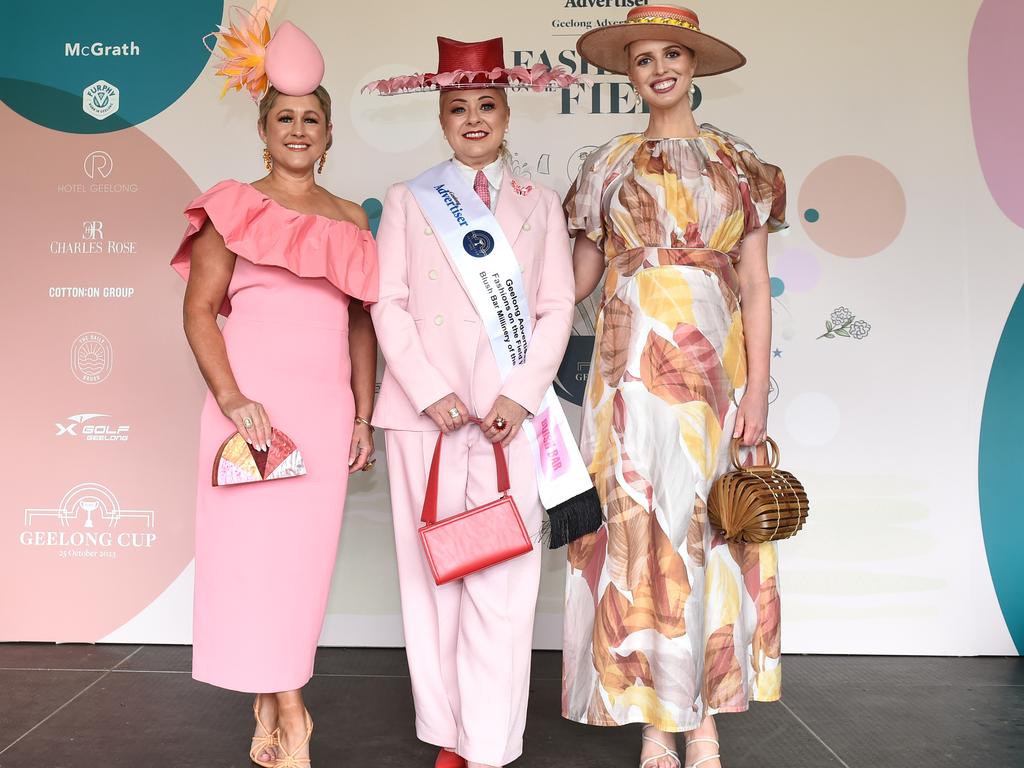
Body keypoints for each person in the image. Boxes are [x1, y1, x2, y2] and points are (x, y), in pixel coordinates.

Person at [561, 6, 787, 768]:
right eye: (642, 58)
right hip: (626, 374)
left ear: (692, 66)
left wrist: (757, 388)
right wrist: (498, 314)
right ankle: (654, 719)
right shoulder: (607, 166)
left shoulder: (740, 168)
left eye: (671, 55)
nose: (658, 68)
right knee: (638, 530)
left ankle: (705, 716)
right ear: (630, 74)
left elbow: (754, 285)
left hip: (714, 374)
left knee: (706, 527)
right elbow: (578, 282)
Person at [364, 36, 588, 768]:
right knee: (431, 577)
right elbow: (387, 302)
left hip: (506, 419)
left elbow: (557, 306)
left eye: (486, 104)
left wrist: (520, 395)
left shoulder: (539, 203)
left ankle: (490, 743)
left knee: (502, 576)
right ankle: (448, 736)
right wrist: (430, 392)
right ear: (440, 115)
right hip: (423, 415)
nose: (472, 118)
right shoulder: (408, 199)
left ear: (506, 114)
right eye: (457, 106)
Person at [171, 13, 378, 768]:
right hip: (246, 414)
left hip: (320, 417)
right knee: (248, 562)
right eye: (285, 118)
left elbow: (362, 326)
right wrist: (231, 397)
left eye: (311, 119)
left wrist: (362, 412)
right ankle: (293, 712)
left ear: (328, 136)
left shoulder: (354, 220)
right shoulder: (231, 206)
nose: (299, 129)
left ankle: (273, 695)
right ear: (264, 131)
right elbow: (198, 311)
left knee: (301, 566)